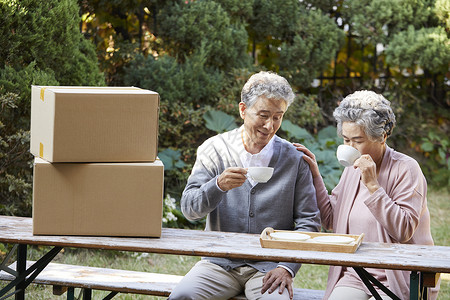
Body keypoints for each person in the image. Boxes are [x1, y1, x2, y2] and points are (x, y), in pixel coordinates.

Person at [168, 71, 321, 300]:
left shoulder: (294, 159)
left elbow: (309, 222)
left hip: (269, 268)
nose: (270, 126)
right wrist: (217, 185)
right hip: (218, 264)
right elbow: (190, 210)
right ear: (242, 110)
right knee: (183, 296)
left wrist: (286, 267)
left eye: (278, 117)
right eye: (263, 115)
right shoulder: (215, 150)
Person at [295, 90, 439, 300]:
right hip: (356, 274)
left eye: (357, 140)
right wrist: (315, 175)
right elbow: (331, 221)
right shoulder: (351, 170)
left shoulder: (407, 169)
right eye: (346, 140)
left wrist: (373, 185)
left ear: (382, 136)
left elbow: (404, 230)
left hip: (400, 275)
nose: (350, 147)